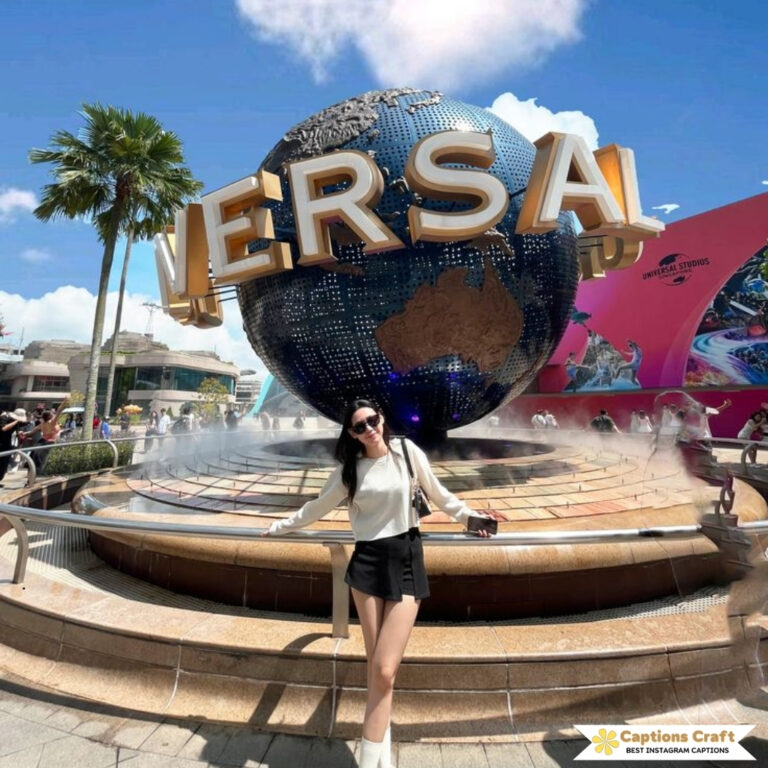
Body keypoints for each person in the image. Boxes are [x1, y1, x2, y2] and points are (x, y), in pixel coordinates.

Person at [261, 399, 493, 768]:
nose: (368, 428)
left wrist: (471, 518)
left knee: (384, 670)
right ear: (351, 435)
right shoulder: (350, 470)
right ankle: (380, 759)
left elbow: (438, 493)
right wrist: (279, 527)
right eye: (358, 426)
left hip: (406, 560)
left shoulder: (406, 451)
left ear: (382, 418)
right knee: (378, 672)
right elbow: (316, 507)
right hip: (367, 564)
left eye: (372, 420)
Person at [0, 408, 28, 486]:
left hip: (7, 444)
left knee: (4, 464)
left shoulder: (17, 422)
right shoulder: (4, 418)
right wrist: (16, 421)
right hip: (1, 443)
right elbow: (3, 428)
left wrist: (20, 432)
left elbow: (24, 424)